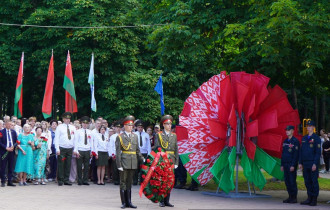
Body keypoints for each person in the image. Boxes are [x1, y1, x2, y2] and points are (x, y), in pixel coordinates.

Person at [116, 115, 144, 209]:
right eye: (128, 125)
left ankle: (129, 202)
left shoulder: (135, 136)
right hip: (124, 161)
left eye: (132, 125)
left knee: (129, 182)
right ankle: (124, 202)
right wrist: (119, 164)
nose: (130, 127)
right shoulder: (120, 137)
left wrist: (142, 158)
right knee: (123, 182)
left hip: (133, 162)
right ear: (125, 126)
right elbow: (118, 152)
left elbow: (137, 150)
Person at [154, 115, 178, 207]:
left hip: (171, 160)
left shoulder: (174, 136)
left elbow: (176, 149)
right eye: (167, 124)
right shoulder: (159, 135)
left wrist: (176, 162)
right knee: (162, 181)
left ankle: (167, 200)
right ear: (163, 125)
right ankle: (161, 200)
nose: (169, 125)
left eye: (170, 124)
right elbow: (157, 148)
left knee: (169, 181)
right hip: (163, 159)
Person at [299, 120, 321, 206]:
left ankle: (314, 199)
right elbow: (301, 151)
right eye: (307, 126)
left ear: (313, 127)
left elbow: (318, 152)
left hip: (312, 163)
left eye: (310, 126)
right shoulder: (304, 138)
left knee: (314, 181)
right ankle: (309, 197)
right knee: (307, 181)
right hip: (305, 163)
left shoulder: (316, 138)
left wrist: (315, 163)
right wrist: (300, 162)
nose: (308, 127)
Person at [54, 112, 76, 186]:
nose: (67, 120)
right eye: (66, 119)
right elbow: (56, 138)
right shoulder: (59, 127)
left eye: (69, 119)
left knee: (68, 164)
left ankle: (66, 179)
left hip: (70, 148)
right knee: (61, 164)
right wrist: (57, 149)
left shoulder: (73, 127)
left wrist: (75, 149)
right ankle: (60, 179)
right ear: (63, 119)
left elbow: (75, 139)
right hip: (62, 148)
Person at [280, 125, 300, 203]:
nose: (287, 131)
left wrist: (293, 165)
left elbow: (296, 155)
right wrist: (282, 164)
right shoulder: (285, 141)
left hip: (291, 165)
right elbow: (283, 154)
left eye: (288, 130)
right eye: (286, 130)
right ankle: (290, 196)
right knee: (287, 181)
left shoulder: (295, 141)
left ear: (292, 131)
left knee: (292, 181)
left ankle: (294, 197)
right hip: (285, 164)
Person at [74, 116, 92, 185]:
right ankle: (79, 180)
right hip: (80, 150)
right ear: (81, 123)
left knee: (87, 166)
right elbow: (76, 142)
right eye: (84, 123)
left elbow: (91, 142)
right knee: (79, 166)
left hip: (87, 150)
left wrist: (91, 151)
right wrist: (76, 151)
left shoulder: (90, 132)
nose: (85, 124)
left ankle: (85, 180)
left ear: (88, 124)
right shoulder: (78, 132)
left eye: (86, 123)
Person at [0, 120, 18, 187]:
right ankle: (3, 181)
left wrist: (14, 146)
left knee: (11, 167)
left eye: (11, 124)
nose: (10, 126)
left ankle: (10, 181)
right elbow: (0, 142)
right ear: (5, 124)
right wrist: (6, 148)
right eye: (8, 124)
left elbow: (16, 141)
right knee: (3, 167)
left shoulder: (13, 132)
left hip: (11, 152)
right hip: (4, 152)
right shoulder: (1, 132)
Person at [133, 120, 151, 185]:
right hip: (137, 153)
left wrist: (149, 153)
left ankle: (142, 180)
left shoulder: (146, 135)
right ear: (136, 128)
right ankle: (134, 180)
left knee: (143, 167)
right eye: (139, 127)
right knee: (135, 167)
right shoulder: (134, 134)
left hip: (144, 153)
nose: (140, 128)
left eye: (141, 127)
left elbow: (148, 145)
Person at [109, 121, 121, 185]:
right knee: (115, 168)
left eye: (119, 127)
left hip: (121, 154)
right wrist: (112, 154)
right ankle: (115, 180)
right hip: (115, 154)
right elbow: (111, 146)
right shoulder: (113, 136)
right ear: (115, 128)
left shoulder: (123, 135)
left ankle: (120, 180)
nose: (118, 129)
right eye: (117, 127)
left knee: (121, 168)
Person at [91, 119, 102, 184]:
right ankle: (95, 178)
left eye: (99, 124)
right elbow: (91, 142)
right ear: (95, 124)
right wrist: (92, 151)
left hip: (101, 150)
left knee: (100, 165)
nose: (98, 125)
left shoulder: (101, 131)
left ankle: (100, 178)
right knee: (95, 165)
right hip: (95, 151)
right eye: (97, 123)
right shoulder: (93, 132)